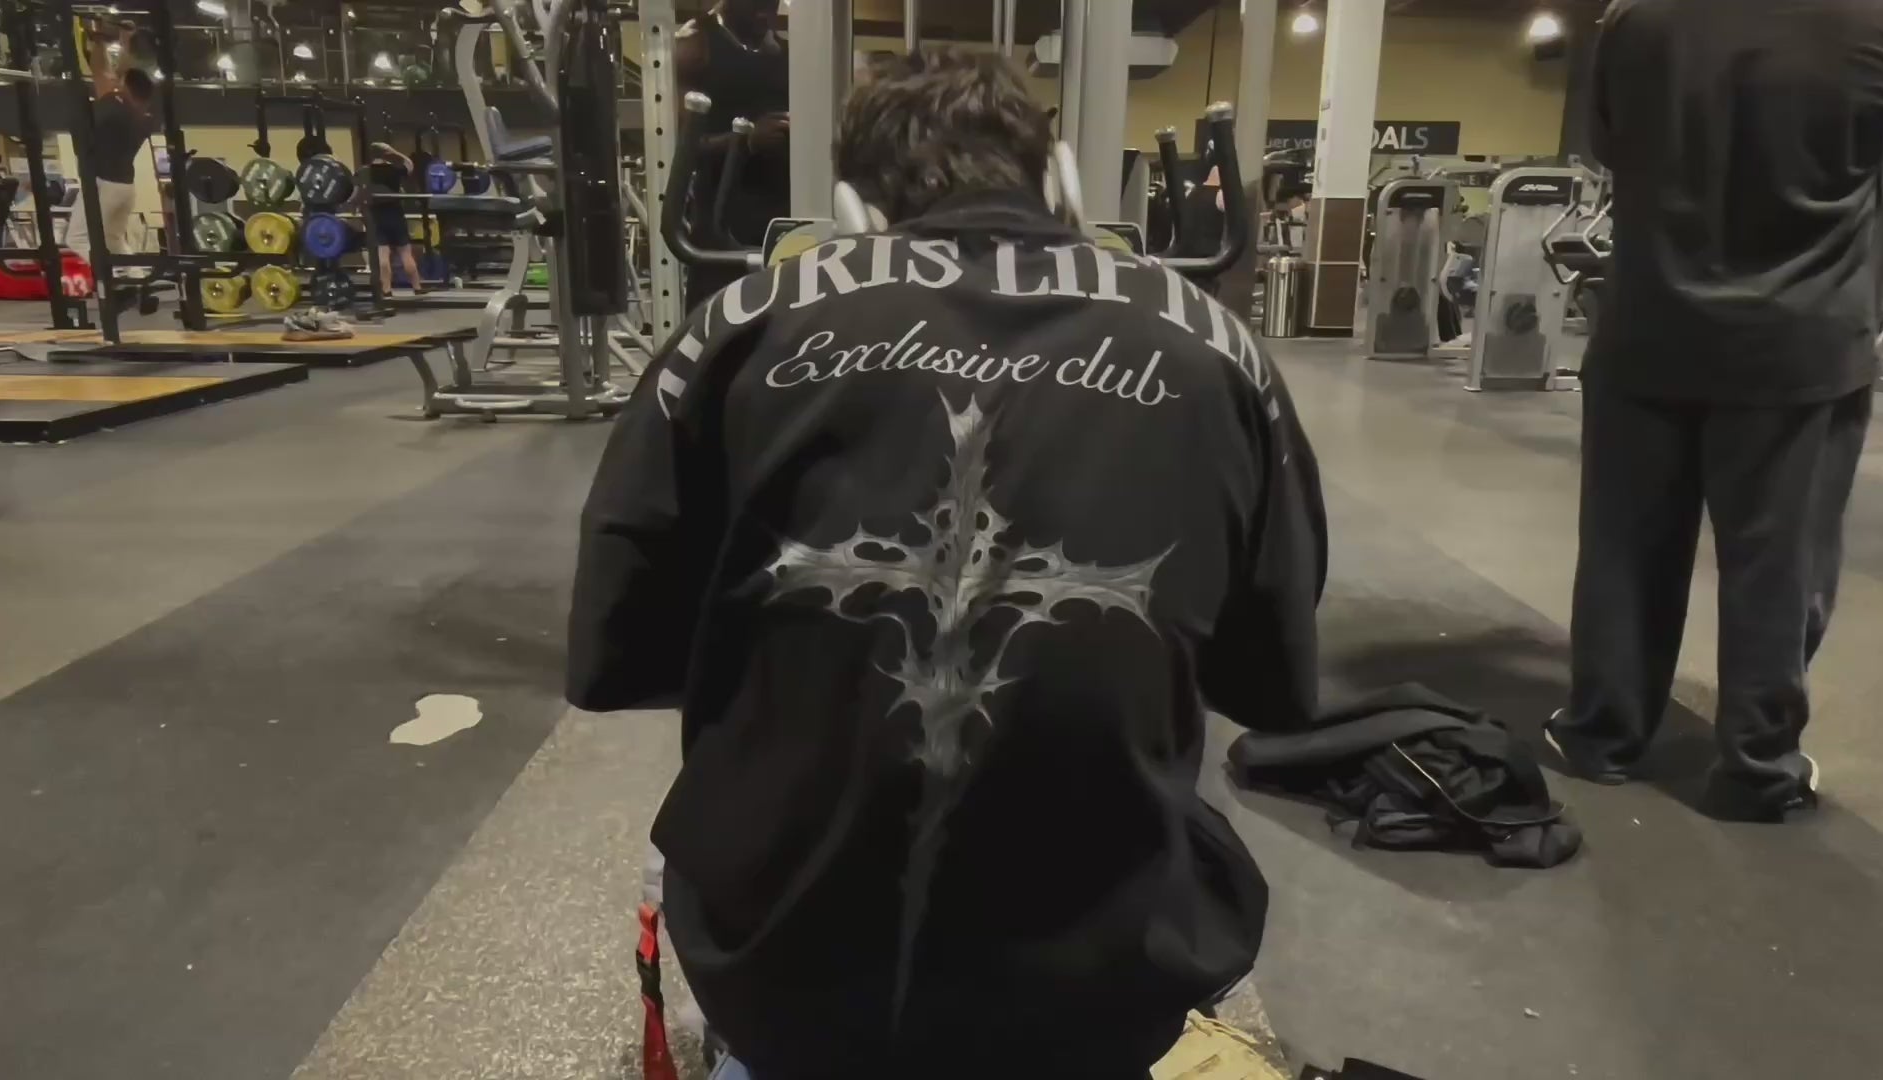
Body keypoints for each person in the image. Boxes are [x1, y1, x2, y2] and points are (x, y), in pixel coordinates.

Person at [568, 49, 1326, 1078]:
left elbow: (620, 653)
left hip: (787, 960)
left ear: (854, 206)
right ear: (1056, 179)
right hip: (1098, 970)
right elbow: (1271, 685)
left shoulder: (734, 329)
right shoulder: (1221, 351)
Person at [1551, 0, 1883, 822]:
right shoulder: (1881, 23)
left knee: (1625, 553)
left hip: (1648, 328)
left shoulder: (1636, 19)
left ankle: (1603, 737)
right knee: (1778, 570)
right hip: (1799, 344)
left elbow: (1607, 147)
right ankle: (1757, 770)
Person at [674, 0, 789, 306]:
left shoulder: (788, 55)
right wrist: (747, 141)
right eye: (757, 6)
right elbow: (684, 147)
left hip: (781, 218)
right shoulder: (695, 47)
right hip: (721, 224)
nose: (766, 13)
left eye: (772, 5)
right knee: (715, 321)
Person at [64, 24, 154, 260]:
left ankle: (105, 275)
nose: (116, 81)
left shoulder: (114, 106)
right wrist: (122, 42)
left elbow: (101, 74)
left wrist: (100, 42)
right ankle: (135, 276)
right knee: (114, 240)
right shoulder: (142, 116)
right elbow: (115, 74)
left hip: (103, 184)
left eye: (119, 82)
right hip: (125, 188)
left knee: (77, 239)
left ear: (125, 88)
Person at [366, 143, 424, 298]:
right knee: (405, 253)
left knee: (383, 255)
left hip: (378, 216)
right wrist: (395, 152)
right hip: (396, 215)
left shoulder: (366, 171)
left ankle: (386, 289)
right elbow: (410, 165)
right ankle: (417, 287)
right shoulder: (393, 170)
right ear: (385, 153)